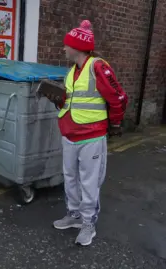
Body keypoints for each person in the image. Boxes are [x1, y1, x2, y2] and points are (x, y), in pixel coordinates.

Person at [44, 20, 128, 246]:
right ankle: (74, 215)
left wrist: (116, 123)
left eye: (66, 45)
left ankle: (88, 224)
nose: (63, 49)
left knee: (89, 183)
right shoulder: (72, 72)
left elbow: (118, 97)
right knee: (70, 179)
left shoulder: (98, 66)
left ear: (77, 47)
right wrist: (58, 100)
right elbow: (73, 102)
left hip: (92, 135)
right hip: (70, 134)